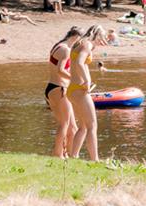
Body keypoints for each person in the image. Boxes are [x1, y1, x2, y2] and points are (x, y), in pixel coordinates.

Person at [67, 25, 109, 161]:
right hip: (79, 89)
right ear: (96, 35)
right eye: (101, 38)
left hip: (72, 89)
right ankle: (95, 159)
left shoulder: (78, 43)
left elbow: (77, 63)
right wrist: (87, 80)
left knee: (83, 126)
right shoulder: (87, 44)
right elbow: (79, 63)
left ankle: (74, 156)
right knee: (92, 125)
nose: (101, 41)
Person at [46, 27, 84, 158]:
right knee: (64, 124)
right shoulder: (66, 49)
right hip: (60, 88)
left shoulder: (58, 45)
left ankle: (68, 154)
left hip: (52, 88)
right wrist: (75, 80)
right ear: (76, 37)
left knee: (72, 127)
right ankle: (58, 154)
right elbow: (60, 70)